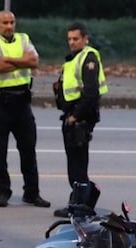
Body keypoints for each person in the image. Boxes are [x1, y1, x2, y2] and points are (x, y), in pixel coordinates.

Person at [0, 10, 50, 208]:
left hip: (22, 103)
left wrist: (8, 60)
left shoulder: (24, 39)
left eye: (11, 22)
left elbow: (34, 62)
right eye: (5, 23)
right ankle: (3, 191)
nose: (9, 26)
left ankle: (32, 192)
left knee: (28, 149)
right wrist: (21, 61)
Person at [52, 22, 108, 218]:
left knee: (78, 163)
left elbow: (91, 93)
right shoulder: (74, 58)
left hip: (80, 117)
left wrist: (76, 116)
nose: (72, 42)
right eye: (69, 39)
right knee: (75, 162)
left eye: (76, 39)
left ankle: (80, 206)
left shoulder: (88, 58)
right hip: (72, 114)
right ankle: (79, 202)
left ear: (85, 39)